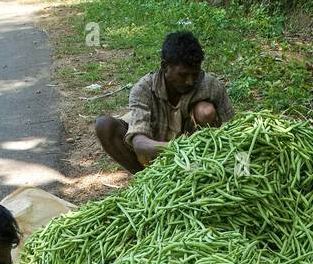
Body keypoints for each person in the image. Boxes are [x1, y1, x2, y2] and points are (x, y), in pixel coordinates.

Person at [94, 30, 233, 173]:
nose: (190, 81)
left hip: (197, 154)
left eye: (195, 74)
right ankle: (146, 179)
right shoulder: (144, 89)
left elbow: (232, 129)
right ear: (165, 66)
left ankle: (201, 171)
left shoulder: (211, 86)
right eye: (183, 75)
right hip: (156, 149)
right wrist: (178, 147)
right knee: (104, 125)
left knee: (206, 111)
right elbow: (139, 142)